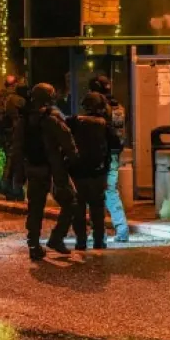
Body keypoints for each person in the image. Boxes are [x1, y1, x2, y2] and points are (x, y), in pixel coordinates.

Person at [11, 82, 79, 260]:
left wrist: (17, 175)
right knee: (71, 202)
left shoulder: (24, 121)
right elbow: (68, 142)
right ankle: (56, 238)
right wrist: (75, 162)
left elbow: (16, 149)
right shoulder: (53, 118)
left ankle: (33, 245)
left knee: (35, 208)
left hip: (33, 169)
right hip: (54, 170)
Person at [66, 92, 121, 250]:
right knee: (97, 207)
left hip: (77, 172)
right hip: (98, 171)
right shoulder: (105, 125)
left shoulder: (73, 121)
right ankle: (99, 240)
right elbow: (116, 145)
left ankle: (81, 241)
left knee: (79, 207)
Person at [89, 75, 130, 242]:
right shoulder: (118, 108)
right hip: (113, 155)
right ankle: (121, 230)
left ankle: (98, 232)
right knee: (111, 191)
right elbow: (119, 134)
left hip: (96, 155)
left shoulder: (95, 108)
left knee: (93, 193)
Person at [0, 75, 28, 200]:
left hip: (3, 136)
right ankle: (14, 190)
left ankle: (6, 189)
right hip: (14, 135)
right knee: (16, 163)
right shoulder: (17, 100)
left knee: (10, 161)